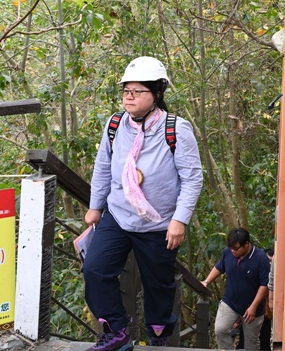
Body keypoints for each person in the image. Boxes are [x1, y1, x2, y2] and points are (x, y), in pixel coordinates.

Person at [82, 56, 203, 351]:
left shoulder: (176, 129)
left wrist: (179, 220)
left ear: (157, 93)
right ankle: (117, 330)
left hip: (159, 222)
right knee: (95, 269)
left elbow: (192, 179)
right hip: (118, 214)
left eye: (137, 91)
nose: (129, 96)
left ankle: (158, 336)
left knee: (159, 285)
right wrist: (95, 206)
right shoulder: (115, 125)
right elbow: (103, 167)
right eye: (126, 90)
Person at [201, 228, 271, 350]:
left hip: (252, 307)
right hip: (230, 302)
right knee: (220, 329)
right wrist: (206, 281)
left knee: (251, 341)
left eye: (236, 248)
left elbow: (264, 285)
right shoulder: (228, 252)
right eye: (231, 248)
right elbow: (219, 267)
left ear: (246, 244)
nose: (233, 251)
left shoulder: (261, 258)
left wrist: (254, 306)